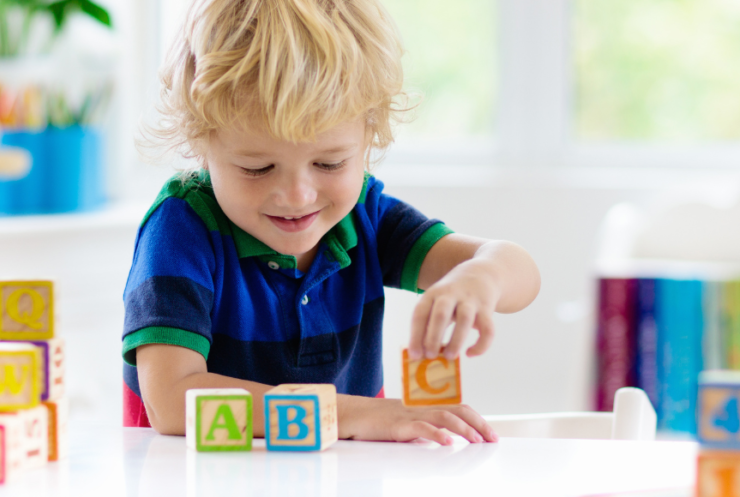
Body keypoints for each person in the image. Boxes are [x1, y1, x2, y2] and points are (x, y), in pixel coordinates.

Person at [122, 0, 540, 446]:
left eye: (329, 162)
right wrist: (353, 413)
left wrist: (482, 276)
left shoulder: (365, 217)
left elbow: (522, 276)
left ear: (369, 135)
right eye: (258, 168)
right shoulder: (182, 230)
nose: (298, 195)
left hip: (340, 493)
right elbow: (171, 401)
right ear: (200, 145)